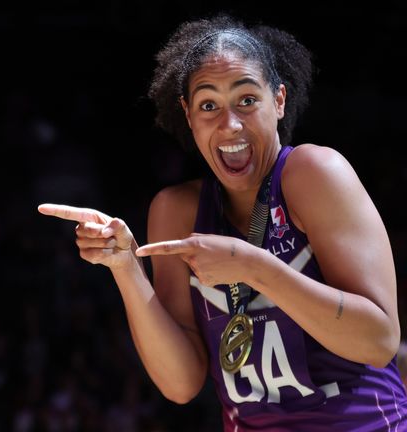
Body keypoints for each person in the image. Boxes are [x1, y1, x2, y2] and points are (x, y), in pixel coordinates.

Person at [39, 14, 407, 431]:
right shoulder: (175, 211)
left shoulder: (313, 173)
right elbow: (180, 384)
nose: (229, 123)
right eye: (208, 105)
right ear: (188, 114)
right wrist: (125, 267)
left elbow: (378, 342)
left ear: (279, 100)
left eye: (247, 99)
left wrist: (254, 267)